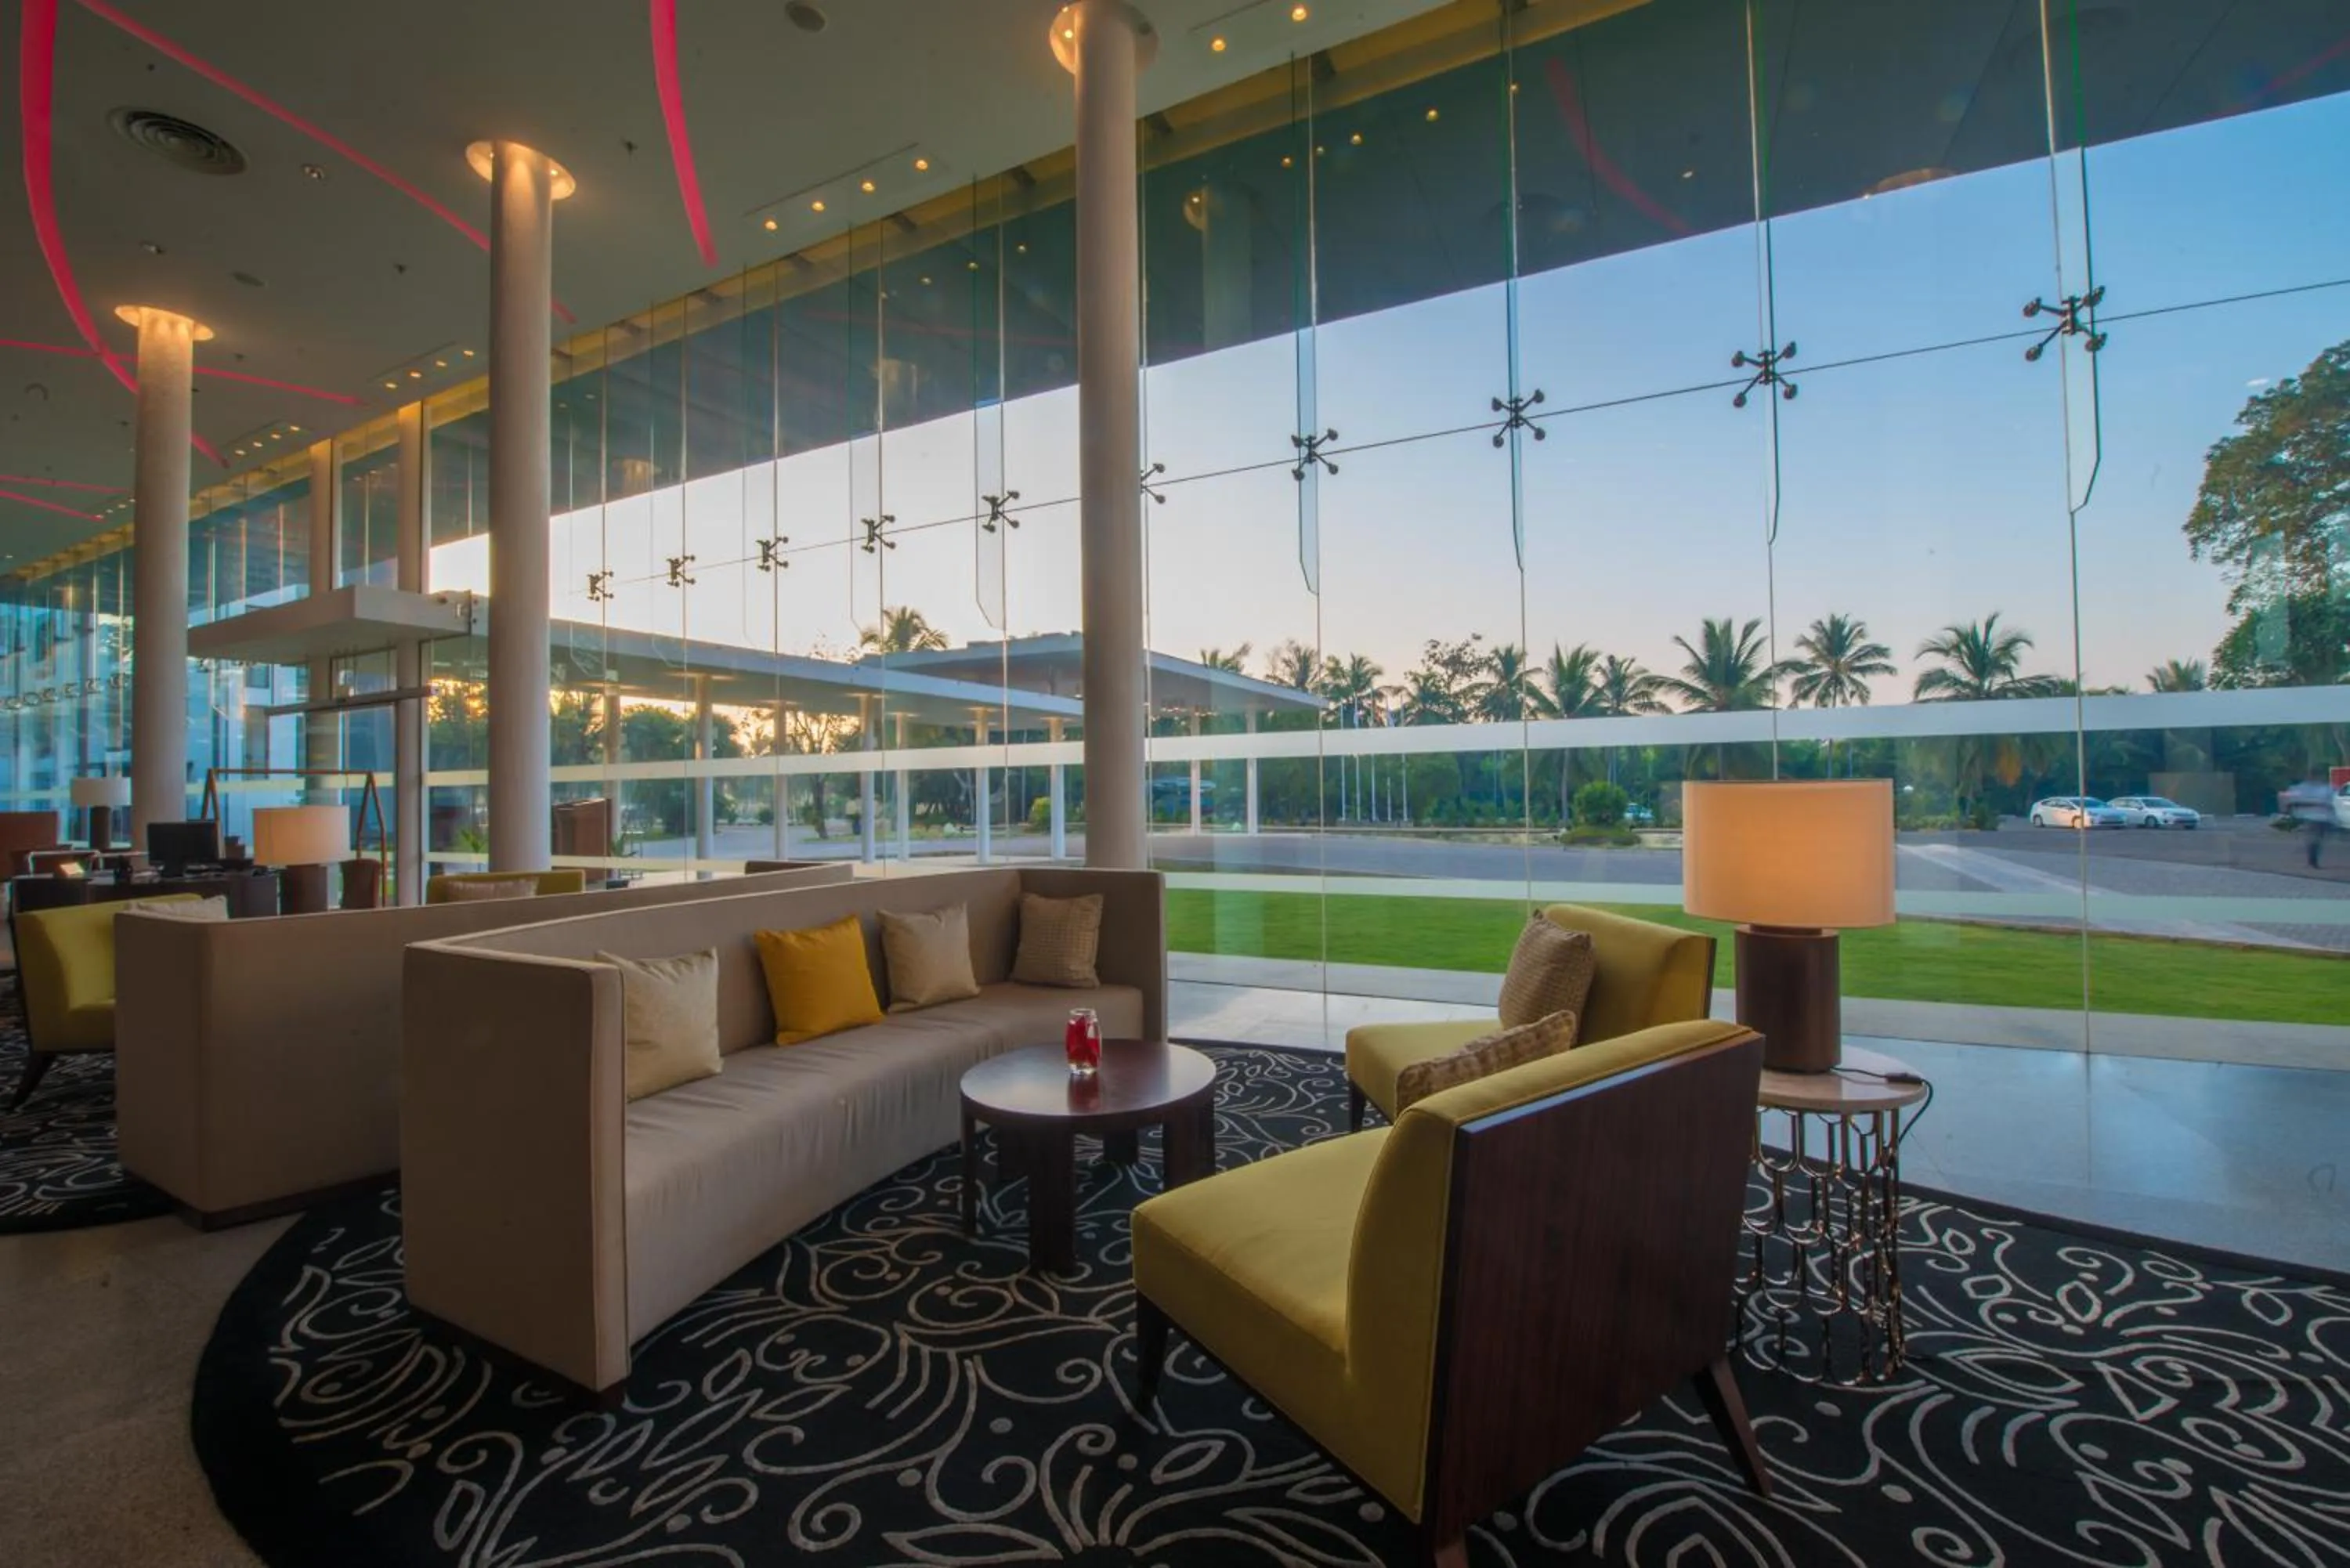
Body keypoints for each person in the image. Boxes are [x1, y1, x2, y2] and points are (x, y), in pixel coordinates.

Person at [2283, 776, 2337, 869]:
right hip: (2318, 817)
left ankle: (2312, 859)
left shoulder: (2303, 788)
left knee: (2315, 839)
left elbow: (2291, 801)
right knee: (2316, 839)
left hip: (2317, 817)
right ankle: (2313, 860)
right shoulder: (2327, 788)